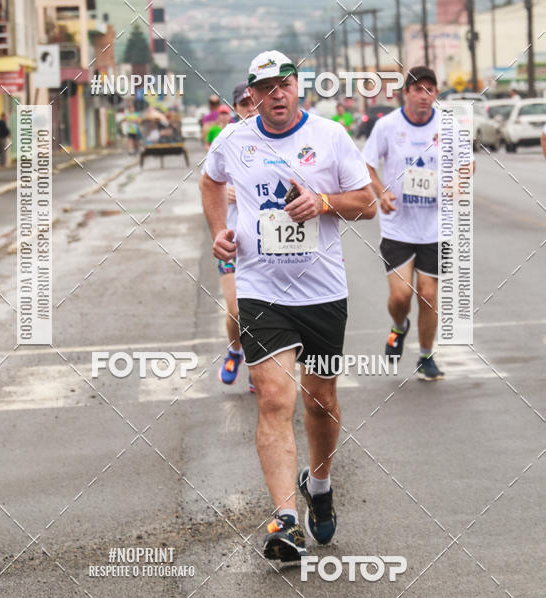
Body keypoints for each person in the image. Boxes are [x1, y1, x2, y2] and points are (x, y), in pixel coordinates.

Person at [201, 51, 375, 562]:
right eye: (266, 87)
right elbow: (211, 181)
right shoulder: (233, 140)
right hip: (261, 291)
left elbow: (364, 201)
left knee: (320, 403)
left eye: (286, 84)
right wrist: (219, 231)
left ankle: (318, 485)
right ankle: (285, 518)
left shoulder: (330, 137)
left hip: (322, 292)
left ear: (298, 88)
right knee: (275, 397)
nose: (277, 94)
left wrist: (322, 202)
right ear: (251, 96)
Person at [363, 66, 473, 382]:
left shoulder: (448, 126)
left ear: (436, 94)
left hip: (436, 226)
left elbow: (468, 162)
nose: (424, 96)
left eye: (430, 90)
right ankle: (399, 326)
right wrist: (381, 192)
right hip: (397, 223)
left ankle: (426, 356)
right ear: (406, 93)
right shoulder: (387, 126)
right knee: (400, 297)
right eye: (418, 90)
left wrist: (457, 181)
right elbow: (367, 163)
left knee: (427, 294)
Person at [207, 82, 257, 389]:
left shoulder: (280, 139)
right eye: (244, 104)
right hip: (234, 242)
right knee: (238, 311)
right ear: (236, 109)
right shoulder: (227, 140)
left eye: (254, 102)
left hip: (268, 243)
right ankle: (235, 349)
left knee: (266, 314)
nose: (250, 109)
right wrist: (225, 192)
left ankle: (260, 368)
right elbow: (209, 184)